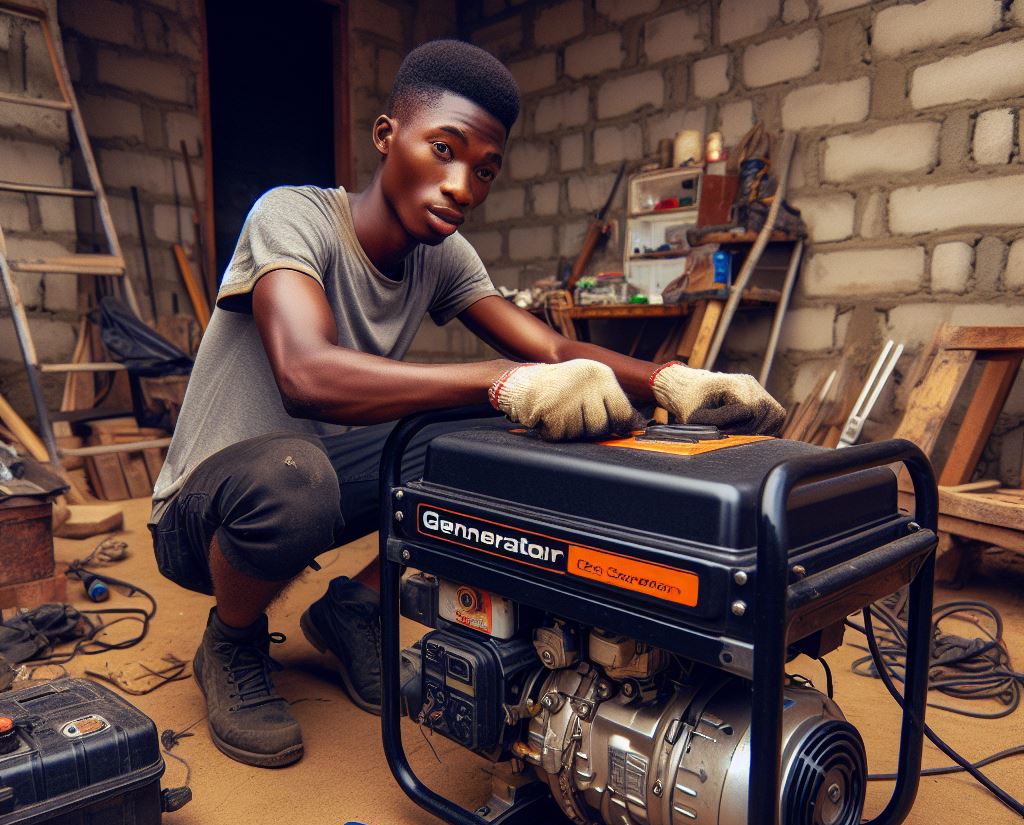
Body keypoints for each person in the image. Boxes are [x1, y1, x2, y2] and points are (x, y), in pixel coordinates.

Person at [149, 39, 784, 769]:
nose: (462, 186)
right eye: (442, 150)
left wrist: (675, 381)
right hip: (206, 516)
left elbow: (545, 349)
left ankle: (357, 607)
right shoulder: (292, 217)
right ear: (387, 137)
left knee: (498, 438)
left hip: (314, 476)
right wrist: (496, 378)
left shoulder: (442, 255)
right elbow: (308, 375)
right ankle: (231, 640)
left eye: (484, 170)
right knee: (300, 475)